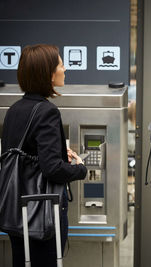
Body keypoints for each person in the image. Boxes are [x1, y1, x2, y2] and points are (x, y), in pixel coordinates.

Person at [1, 44, 87, 267]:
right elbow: (52, 169)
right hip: (42, 214)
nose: (65, 68)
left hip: (17, 209)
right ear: (47, 73)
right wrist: (80, 169)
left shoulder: (14, 110)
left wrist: (57, 154)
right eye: (60, 64)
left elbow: (22, 157)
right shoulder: (47, 111)